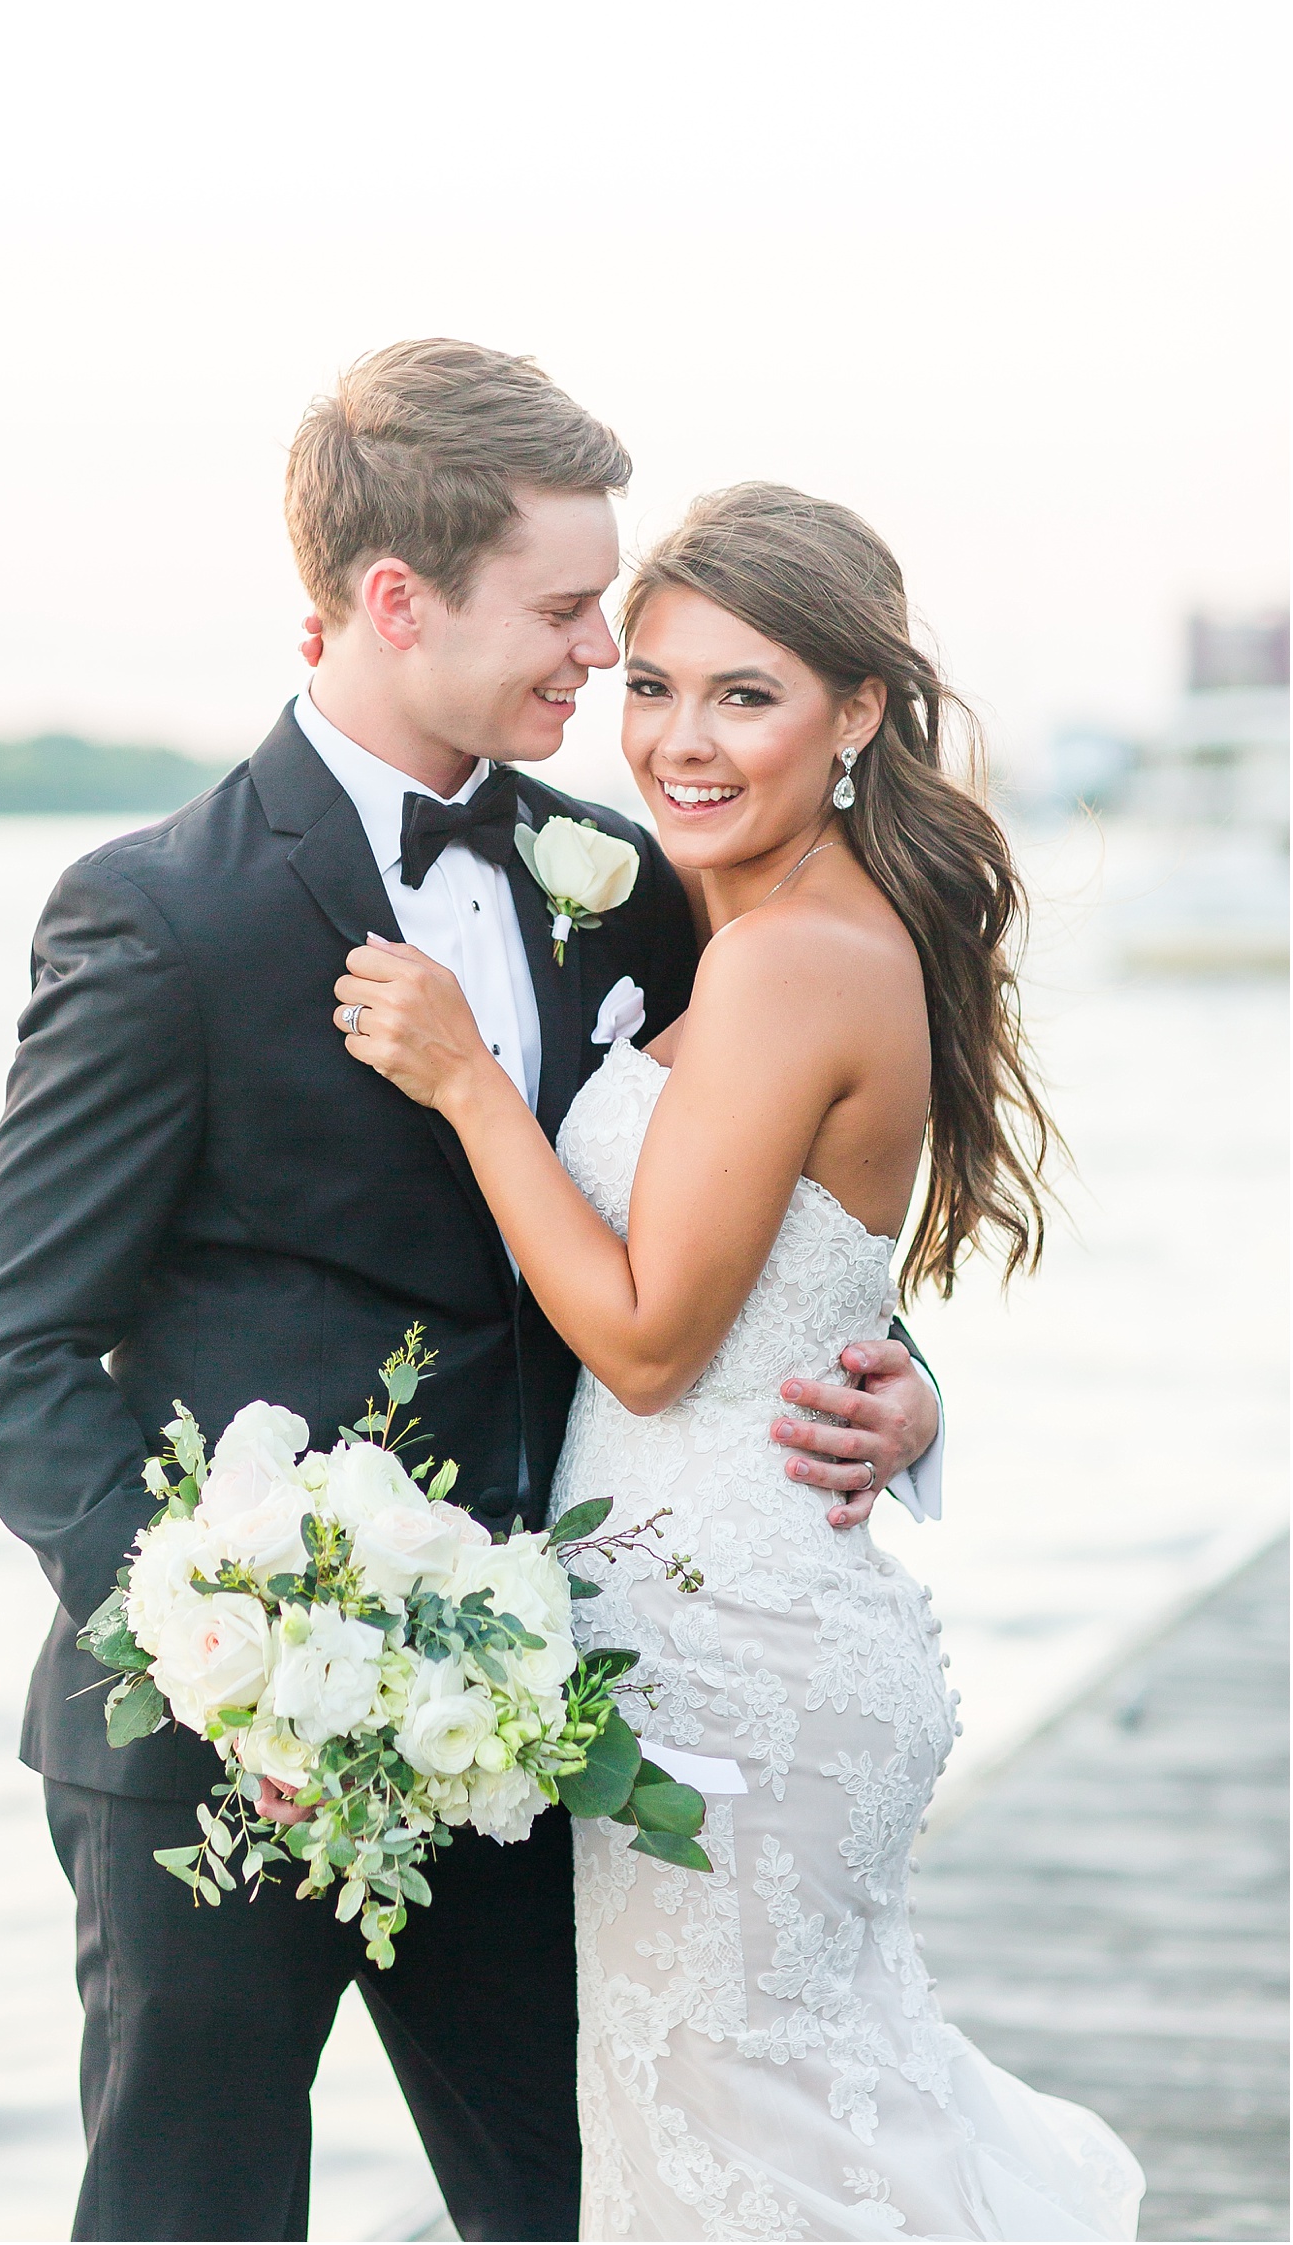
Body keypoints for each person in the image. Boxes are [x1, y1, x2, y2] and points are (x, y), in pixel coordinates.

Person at [0, 346, 942, 2244]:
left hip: (554, 1714)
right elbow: (11, 1353)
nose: (602, 661)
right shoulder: (160, 914)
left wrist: (907, 1389)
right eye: (571, 613)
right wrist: (202, 1638)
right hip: (212, 1758)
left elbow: (741, 1209)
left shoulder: (636, 887)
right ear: (399, 600)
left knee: (586, 2203)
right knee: (193, 2214)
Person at [335, 482, 1144, 2242]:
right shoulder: (774, 929)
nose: (678, 741)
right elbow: (804, 1274)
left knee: (751, 2162)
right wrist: (907, 1382)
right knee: (769, 2150)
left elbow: (642, 1339)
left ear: (859, 710)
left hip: (736, 1677)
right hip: (731, 1630)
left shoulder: (786, 959)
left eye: (744, 693)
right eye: (650, 684)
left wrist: (473, 1081)